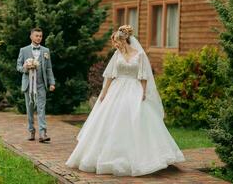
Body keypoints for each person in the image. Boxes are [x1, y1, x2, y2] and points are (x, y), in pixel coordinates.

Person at [65, 25, 185, 176]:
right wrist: (104, 92)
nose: (115, 45)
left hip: (134, 89)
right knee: (110, 119)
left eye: (116, 41)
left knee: (135, 118)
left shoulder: (139, 54)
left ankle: (144, 158)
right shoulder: (117, 55)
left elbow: (143, 75)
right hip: (117, 89)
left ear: (124, 40)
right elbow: (109, 75)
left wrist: (143, 91)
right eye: (114, 42)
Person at [16, 28, 55, 143]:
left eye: (40, 36)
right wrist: (25, 68)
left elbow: (48, 68)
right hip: (28, 85)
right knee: (30, 109)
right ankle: (31, 130)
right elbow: (18, 67)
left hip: (41, 84)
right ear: (31, 37)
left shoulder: (45, 51)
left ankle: (43, 133)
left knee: (41, 108)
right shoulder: (23, 50)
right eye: (36, 36)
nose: (39, 38)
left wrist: (52, 82)